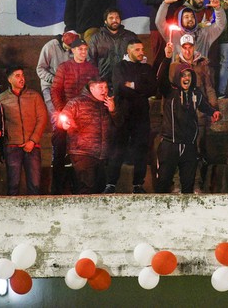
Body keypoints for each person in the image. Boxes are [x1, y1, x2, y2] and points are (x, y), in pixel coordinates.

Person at [155, 46, 221, 193]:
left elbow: (204, 106)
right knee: (163, 182)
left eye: (189, 76)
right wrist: (166, 58)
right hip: (170, 145)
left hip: (189, 146)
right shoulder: (170, 91)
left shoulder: (195, 93)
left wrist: (214, 112)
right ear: (178, 77)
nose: (186, 79)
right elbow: (160, 78)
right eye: (183, 75)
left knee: (188, 186)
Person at [103, 39, 157, 194]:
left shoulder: (147, 68)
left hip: (142, 117)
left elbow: (153, 88)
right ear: (129, 51)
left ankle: (138, 185)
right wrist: (141, 89)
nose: (141, 52)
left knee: (141, 151)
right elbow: (120, 88)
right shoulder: (119, 67)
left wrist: (133, 85)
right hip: (123, 116)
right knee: (117, 150)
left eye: (142, 49)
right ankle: (111, 184)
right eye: (137, 50)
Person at [50, 38, 100, 193]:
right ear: (72, 50)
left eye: (85, 49)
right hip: (66, 114)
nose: (83, 52)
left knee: (84, 155)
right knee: (59, 150)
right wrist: (62, 111)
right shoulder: (64, 68)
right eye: (80, 49)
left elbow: (96, 91)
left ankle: (83, 189)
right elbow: (56, 90)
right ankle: (57, 189)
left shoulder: (92, 69)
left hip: (85, 119)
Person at [59, 78, 119, 194]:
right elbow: (64, 116)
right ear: (92, 89)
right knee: (86, 188)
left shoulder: (107, 104)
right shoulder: (77, 102)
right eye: (100, 87)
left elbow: (119, 124)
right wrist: (64, 123)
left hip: (102, 155)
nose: (104, 91)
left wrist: (113, 110)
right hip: (82, 153)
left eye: (106, 87)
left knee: (100, 188)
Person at [36, 30, 78, 194]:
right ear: (62, 41)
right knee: (58, 120)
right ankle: (58, 155)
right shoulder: (50, 47)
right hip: (50, 86)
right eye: (67, 47)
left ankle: (70, 153)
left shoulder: (75, 48)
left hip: (68, 89)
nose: (69, 50)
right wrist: (55, 79)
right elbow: (40, 69)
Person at [0, 66, 48, 196]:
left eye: (22, 75)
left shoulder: (34, 96)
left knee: (35, 184)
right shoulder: (1, 98)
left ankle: (34, 214)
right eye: (17, 76)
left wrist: (32, 140)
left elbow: (42, 119)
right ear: (9, 79)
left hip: (32, 146)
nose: (22, 78)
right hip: (12, 147)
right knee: (13, 185)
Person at [156, 0, 226, 61]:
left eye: (192, 16)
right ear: (180, 20)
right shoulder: (172, 34)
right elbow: (159, 22)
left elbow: (220, 25)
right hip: (179, 70)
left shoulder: (204, 34)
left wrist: (218, 9)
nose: (190, 19)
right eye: (186, 17)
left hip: (200, 70)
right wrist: (165, 4)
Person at [87, 8, 138, 84]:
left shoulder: (130, 36)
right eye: (111, 18)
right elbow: (90, 61)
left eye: (117, 17)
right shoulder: (96, 38)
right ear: (105, 21)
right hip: (104, 82)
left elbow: (137, 57)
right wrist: (96, 80)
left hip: (126, 81)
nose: (114, 20)